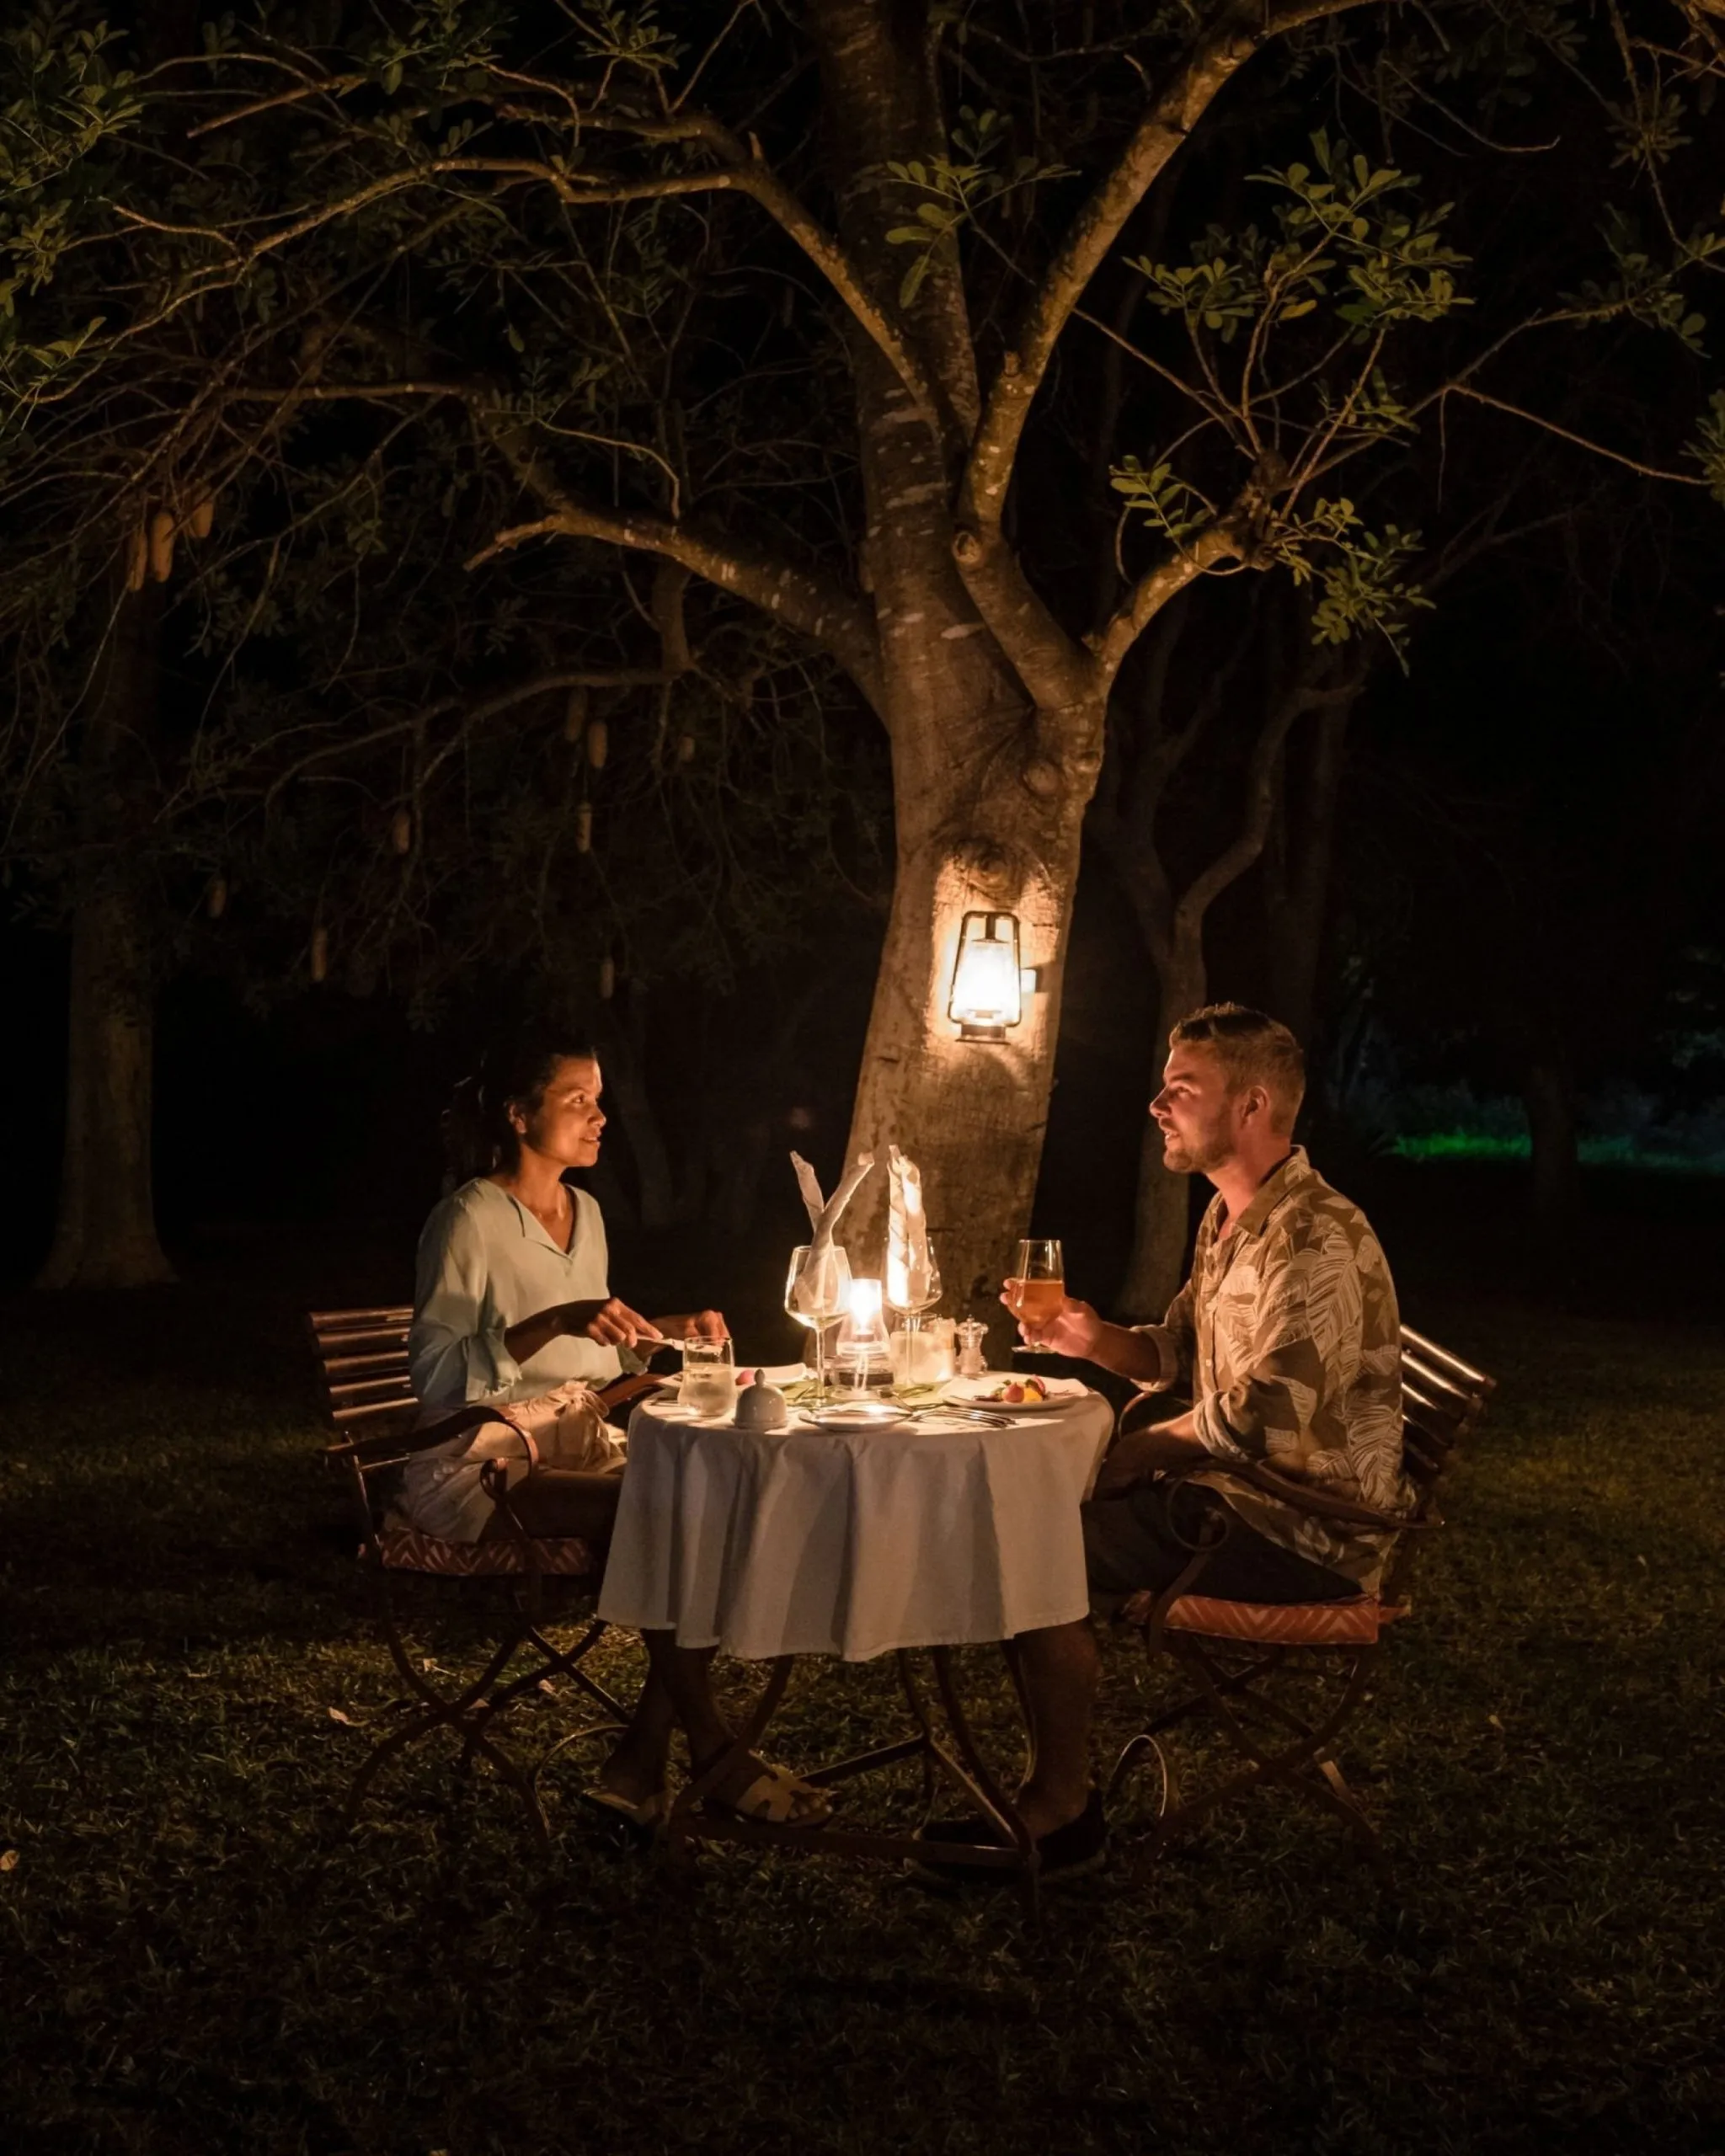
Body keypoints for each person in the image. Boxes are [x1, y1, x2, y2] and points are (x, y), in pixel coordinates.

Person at [927, 1003, 1407, 1884]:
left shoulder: (1316, 1236)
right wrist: (1090, 1336)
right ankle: (1055, 1798)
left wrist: (1142, 1451)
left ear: (1252, 1106)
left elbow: (1267, 1413)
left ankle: (1061, 1815)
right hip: (1242, 1497)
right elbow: (1178, 1352)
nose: (1156, 1104)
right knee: (1032, 1523)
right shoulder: (1233, 1219)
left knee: (1033, 1545)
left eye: (1181, 1089)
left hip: (1304, 1531)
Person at [406, 1032, 830, 1828]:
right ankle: (711, 1750)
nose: (600, 1117)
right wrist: (561, 1316)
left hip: (572, 1441)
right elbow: (434, 1378)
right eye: (578, 1101)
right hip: (477, 1462)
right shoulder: (466, 1219)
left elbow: (591, 1361)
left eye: (599, 1100)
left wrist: (665, 1333)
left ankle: (640, 1765)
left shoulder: (586, 1212)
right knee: (668, 1510)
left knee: (708, 1495)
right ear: (518, 1114)